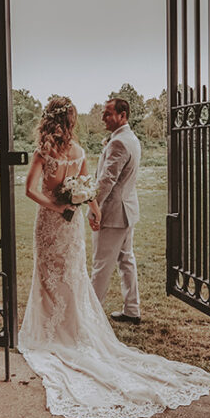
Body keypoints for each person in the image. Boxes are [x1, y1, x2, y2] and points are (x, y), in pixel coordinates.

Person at [18, 95, 210, 418]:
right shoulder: (80, 152)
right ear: (70, 122)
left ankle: (56, 331)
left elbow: (31, 189)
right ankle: (77, 326)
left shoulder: (45, 153)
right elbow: (90, 189)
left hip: (53, 222)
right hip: (72, 224)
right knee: (72, 275)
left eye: (109, 113)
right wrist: (89, 209)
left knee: (56, 275)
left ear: (48, 120)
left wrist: (60, 207)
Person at [89, 96, 141, 324]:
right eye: (104, 113)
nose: (103, 117)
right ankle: (132, 310)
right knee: (126, 260)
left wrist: (93, 206)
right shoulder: (132, 138)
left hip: (112, 214)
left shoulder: (118, 142)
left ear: (123, 116)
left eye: (108, 113)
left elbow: (107, 180)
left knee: (101, 264)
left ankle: (91, 316)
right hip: (127, 211)